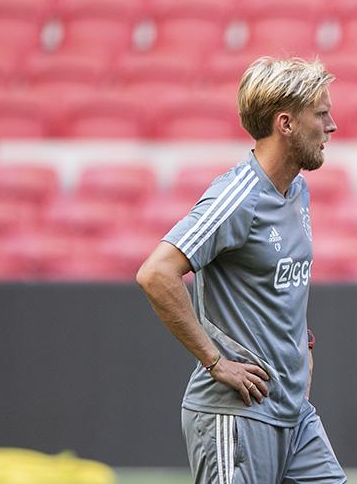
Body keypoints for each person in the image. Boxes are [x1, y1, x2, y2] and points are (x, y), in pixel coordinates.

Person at [137, 56, 346, 484]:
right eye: (322, 113)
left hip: (293, 412)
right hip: (236, 414)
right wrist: (216, 362)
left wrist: (302, 343)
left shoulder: (297, 189)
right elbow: (156, 273)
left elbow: (280, 282)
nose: (332, 126)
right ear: (285, 123)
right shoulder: (237, 196)